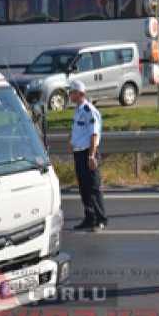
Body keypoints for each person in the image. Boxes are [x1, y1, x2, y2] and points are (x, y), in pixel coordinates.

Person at [69, 80, 108, 231]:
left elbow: (94, 134)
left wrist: (91, 156)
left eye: (72, 92)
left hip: (88, 153)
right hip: (79, 153)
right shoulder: (78, 110)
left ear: (80, 94)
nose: (70, 94)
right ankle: (89, 218)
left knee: (93, 187)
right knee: (84, 188)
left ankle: (101, 219)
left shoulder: (88, 110)